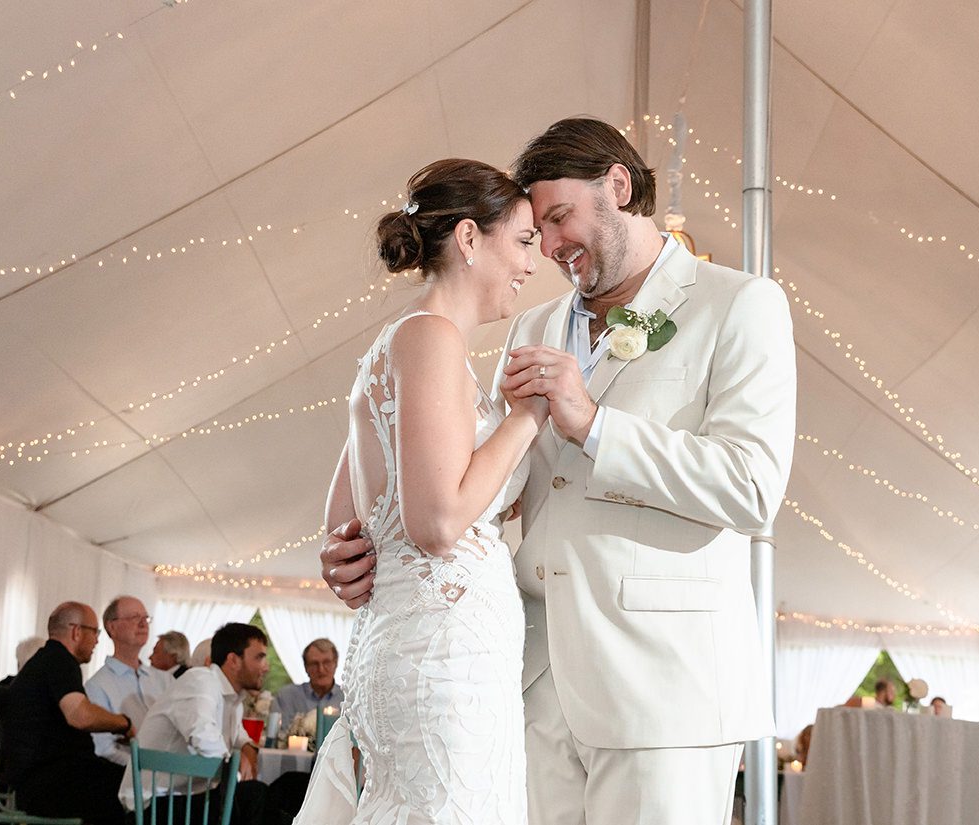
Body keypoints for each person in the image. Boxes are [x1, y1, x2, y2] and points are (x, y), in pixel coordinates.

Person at [322, 119, 796, 825]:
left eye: (557, 217)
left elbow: (752, 488)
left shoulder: (737, 304)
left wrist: (594, 423)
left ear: (617, 185)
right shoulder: (529, 327)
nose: (546, 247)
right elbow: (461, 478)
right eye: (534, 230)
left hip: (660, 692)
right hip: (527, 687)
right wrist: (355, 543)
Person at [297, 158, 541, 825]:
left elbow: (345, 522)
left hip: (410, 642)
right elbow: (436, 523)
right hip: (445, 658)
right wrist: (526, 416)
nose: (530, 261)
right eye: (521, 240)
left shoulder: (396, 344)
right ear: (468, 238)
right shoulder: (430, 338)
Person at [120, 622, 274, 823]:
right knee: (255, 794)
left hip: (190, 798)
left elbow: (238, 736)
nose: (266, 667)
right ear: (234, 660)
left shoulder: (233, 698)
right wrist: (235, 769)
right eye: (259, 657)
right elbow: (202, 736)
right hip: (158, 804)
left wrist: (247, 748)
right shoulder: (201, 680)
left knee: (275, 791)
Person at [1, 601, 135, 825]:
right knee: (137, 789)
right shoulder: (59, 661)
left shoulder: (46, 661)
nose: (97, 640)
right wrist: (123, 724)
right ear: (76, 631)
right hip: (48, 785)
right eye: (95, 632)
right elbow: (80, 715)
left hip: (43, 780)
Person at [85, 596, 171, 764]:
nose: (143, 624)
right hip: (127, 781)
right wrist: (147, 769)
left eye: (145, 618)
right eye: (134, 617)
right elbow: (104, 749)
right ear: (112, 627)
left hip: (169, 777)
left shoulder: (164, 680)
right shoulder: (97, 686)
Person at [271, 639, 342, 736]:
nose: (321, 670)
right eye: (314, 664)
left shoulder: (348, 700)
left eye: (327, 662)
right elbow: (277, 736)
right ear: (305, 667)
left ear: (336, 663)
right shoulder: (286, 697)